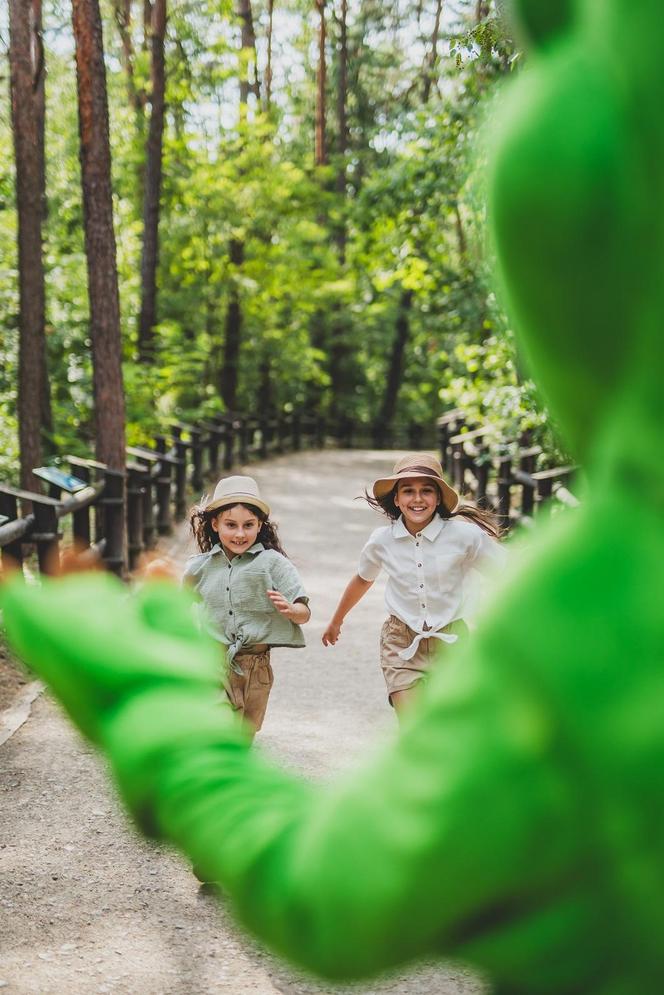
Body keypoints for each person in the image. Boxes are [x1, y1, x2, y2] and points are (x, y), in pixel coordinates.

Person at [2, 1, 663, 990]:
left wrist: (153, 705)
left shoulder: (590, 616)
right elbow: (352, 579)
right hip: (390, 640)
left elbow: (333, 896)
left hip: (331, 661)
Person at [322, 453, 504, 714]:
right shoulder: (382, 540)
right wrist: (336, 620)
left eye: (426, 491)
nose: (417, 499)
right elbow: (363, 579)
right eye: (408, 491)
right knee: (411, 725)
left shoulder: (465, 537)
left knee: (447, 724)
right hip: (401, 641)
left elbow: (505, 571)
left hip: (452, 641)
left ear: (438, 497)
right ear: (396, 499)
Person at [184, 475, 311, 735]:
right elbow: (176, 607)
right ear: (215, 523)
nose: (240, 534)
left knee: (242, 738)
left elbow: (304, 613)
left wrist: (290, 610)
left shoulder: (273, 563)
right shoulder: (199, 567)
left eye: (248, 525)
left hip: (256, 667)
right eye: (231, 524)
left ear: (260, 525)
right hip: (212, 662)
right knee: (217, 730)